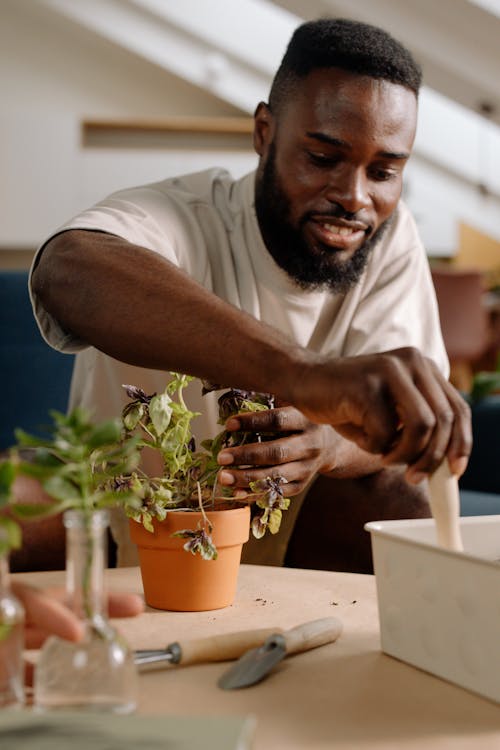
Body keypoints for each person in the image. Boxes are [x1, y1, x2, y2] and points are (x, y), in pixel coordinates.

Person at [29, 18, 471, 572]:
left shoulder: (389, 234)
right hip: (136, 534)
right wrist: (302, 375)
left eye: (383, 171)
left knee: (399, 502)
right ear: (265, 132)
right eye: (323, 158)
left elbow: (396, 427)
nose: (354, 198)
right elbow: (67, 269)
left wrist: (328, 443)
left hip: (290, 537)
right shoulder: (185, 216)